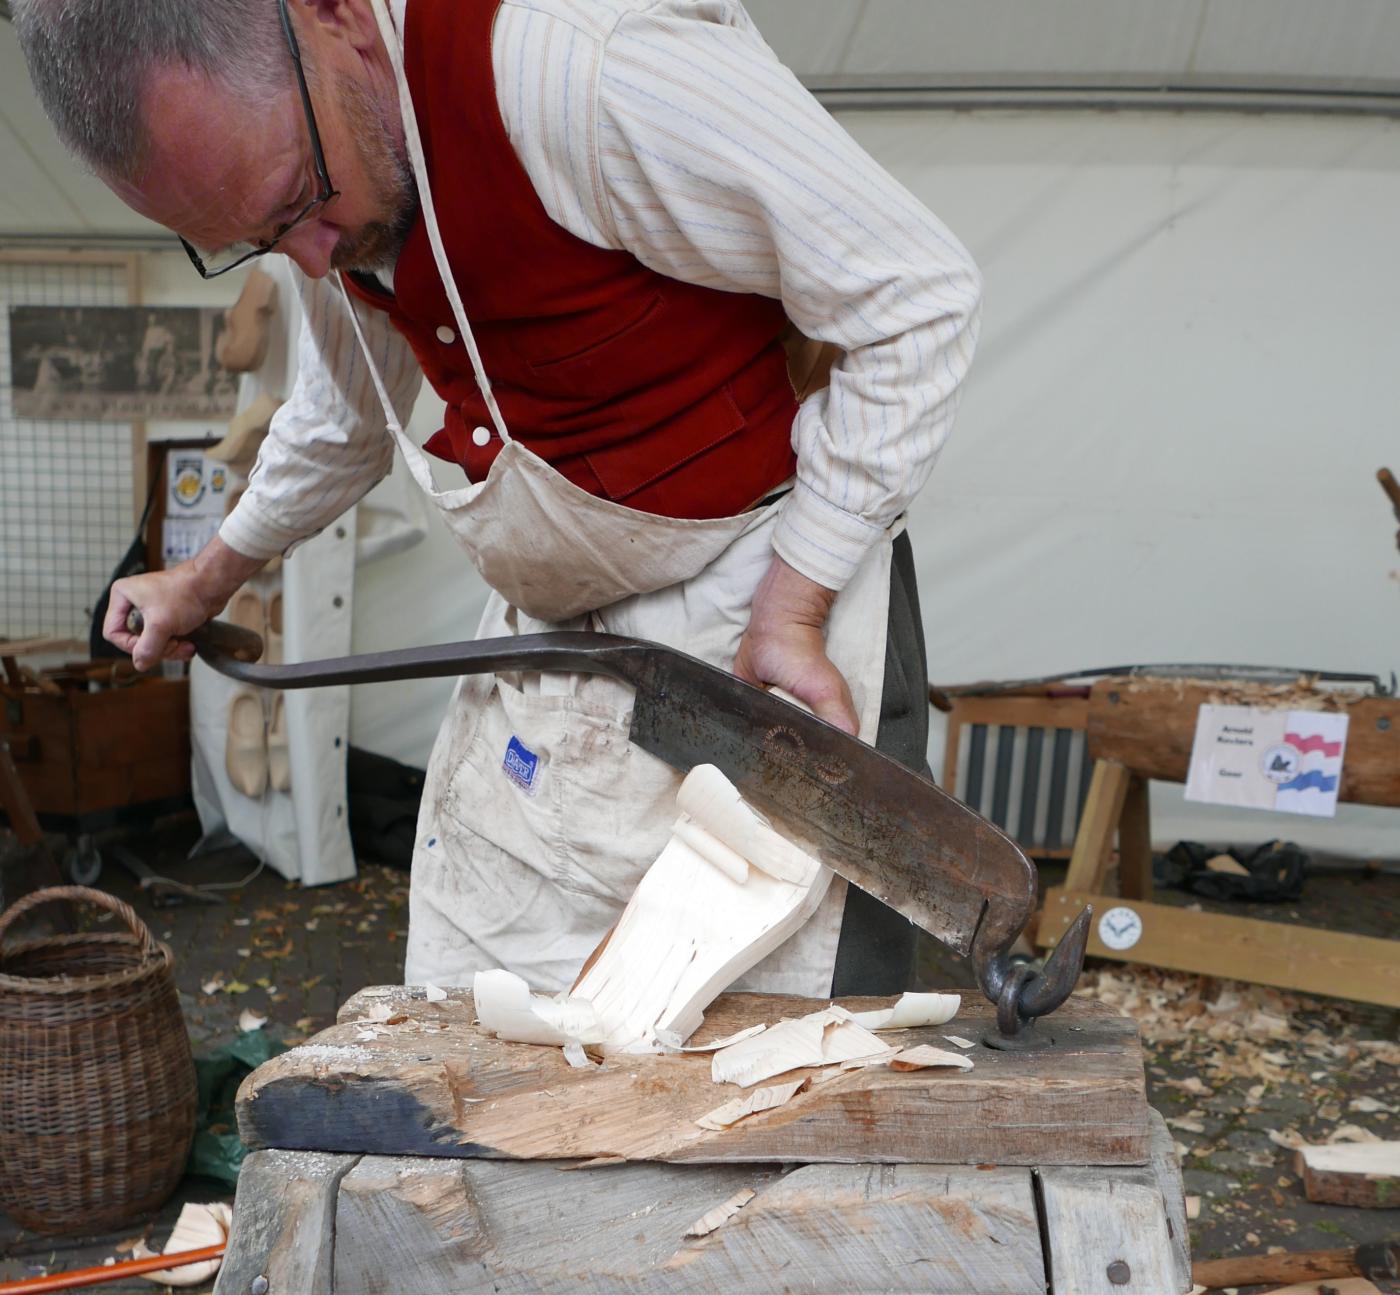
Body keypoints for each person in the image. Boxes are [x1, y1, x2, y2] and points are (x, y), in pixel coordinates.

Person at [15, 0, 981, 997]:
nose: (308, 257)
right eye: (258, 240)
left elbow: (912, 296)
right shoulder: (319, 172)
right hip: (558, 645)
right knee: (498, 1023)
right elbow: (343, 411)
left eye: (296, 200)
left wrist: (793, 603)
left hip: (763, 610)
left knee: (770, 1042)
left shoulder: (583, 66)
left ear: (333, 16)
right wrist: (203, 579)